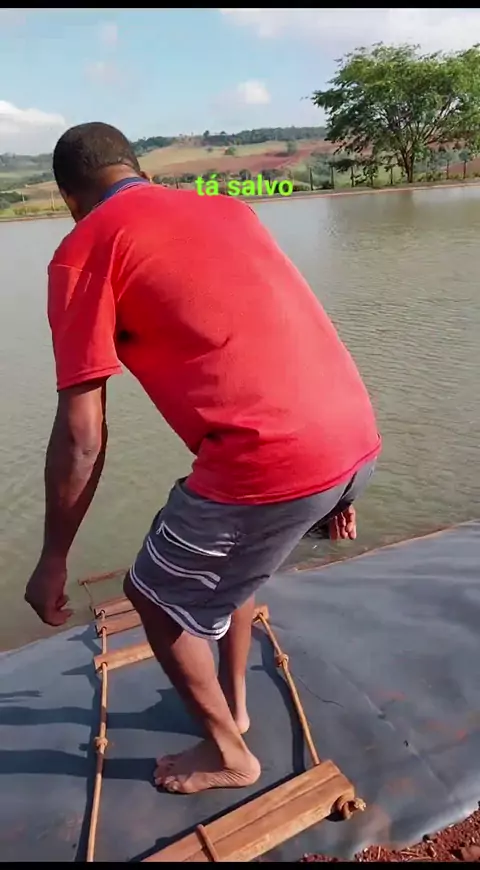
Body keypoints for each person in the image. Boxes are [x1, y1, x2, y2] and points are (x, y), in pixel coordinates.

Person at [25, 122, 381, 796]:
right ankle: (236, 709)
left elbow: (82, 436)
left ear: (69, 197)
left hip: (274, 459)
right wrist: (343, 485)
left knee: (154, 595)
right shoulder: (226, 210)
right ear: (139, 171)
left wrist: (53, 559)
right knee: (228, 571)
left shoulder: (86, 248)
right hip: (354, 435)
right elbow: (286, 335)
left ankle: (228, 753)